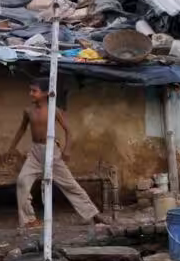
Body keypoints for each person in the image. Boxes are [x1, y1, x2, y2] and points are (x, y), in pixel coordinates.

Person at [8, 78, 107, 229]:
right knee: (22, 181)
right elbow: (22, 129)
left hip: (52, 152)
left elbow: (69, 131)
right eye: (30, 90)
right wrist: (12, 147)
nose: (31, 94)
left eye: (34, 91)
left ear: (46, 93)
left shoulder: (54, 110)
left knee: (70, 185)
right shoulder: (28, 111)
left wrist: (67, 149)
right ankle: (29, 220)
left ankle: (92, 214)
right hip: (35, 152)